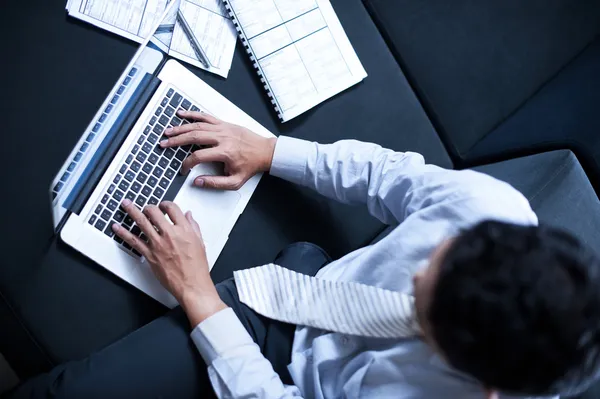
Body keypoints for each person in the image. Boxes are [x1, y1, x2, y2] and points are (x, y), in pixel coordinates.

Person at [7, 110, 600, 399]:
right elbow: (383, 175)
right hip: (295, 297)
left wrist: (198, 295)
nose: (420, 269)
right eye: (446, 253)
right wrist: (269, 149)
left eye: (428, 296)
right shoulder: (488, 206)